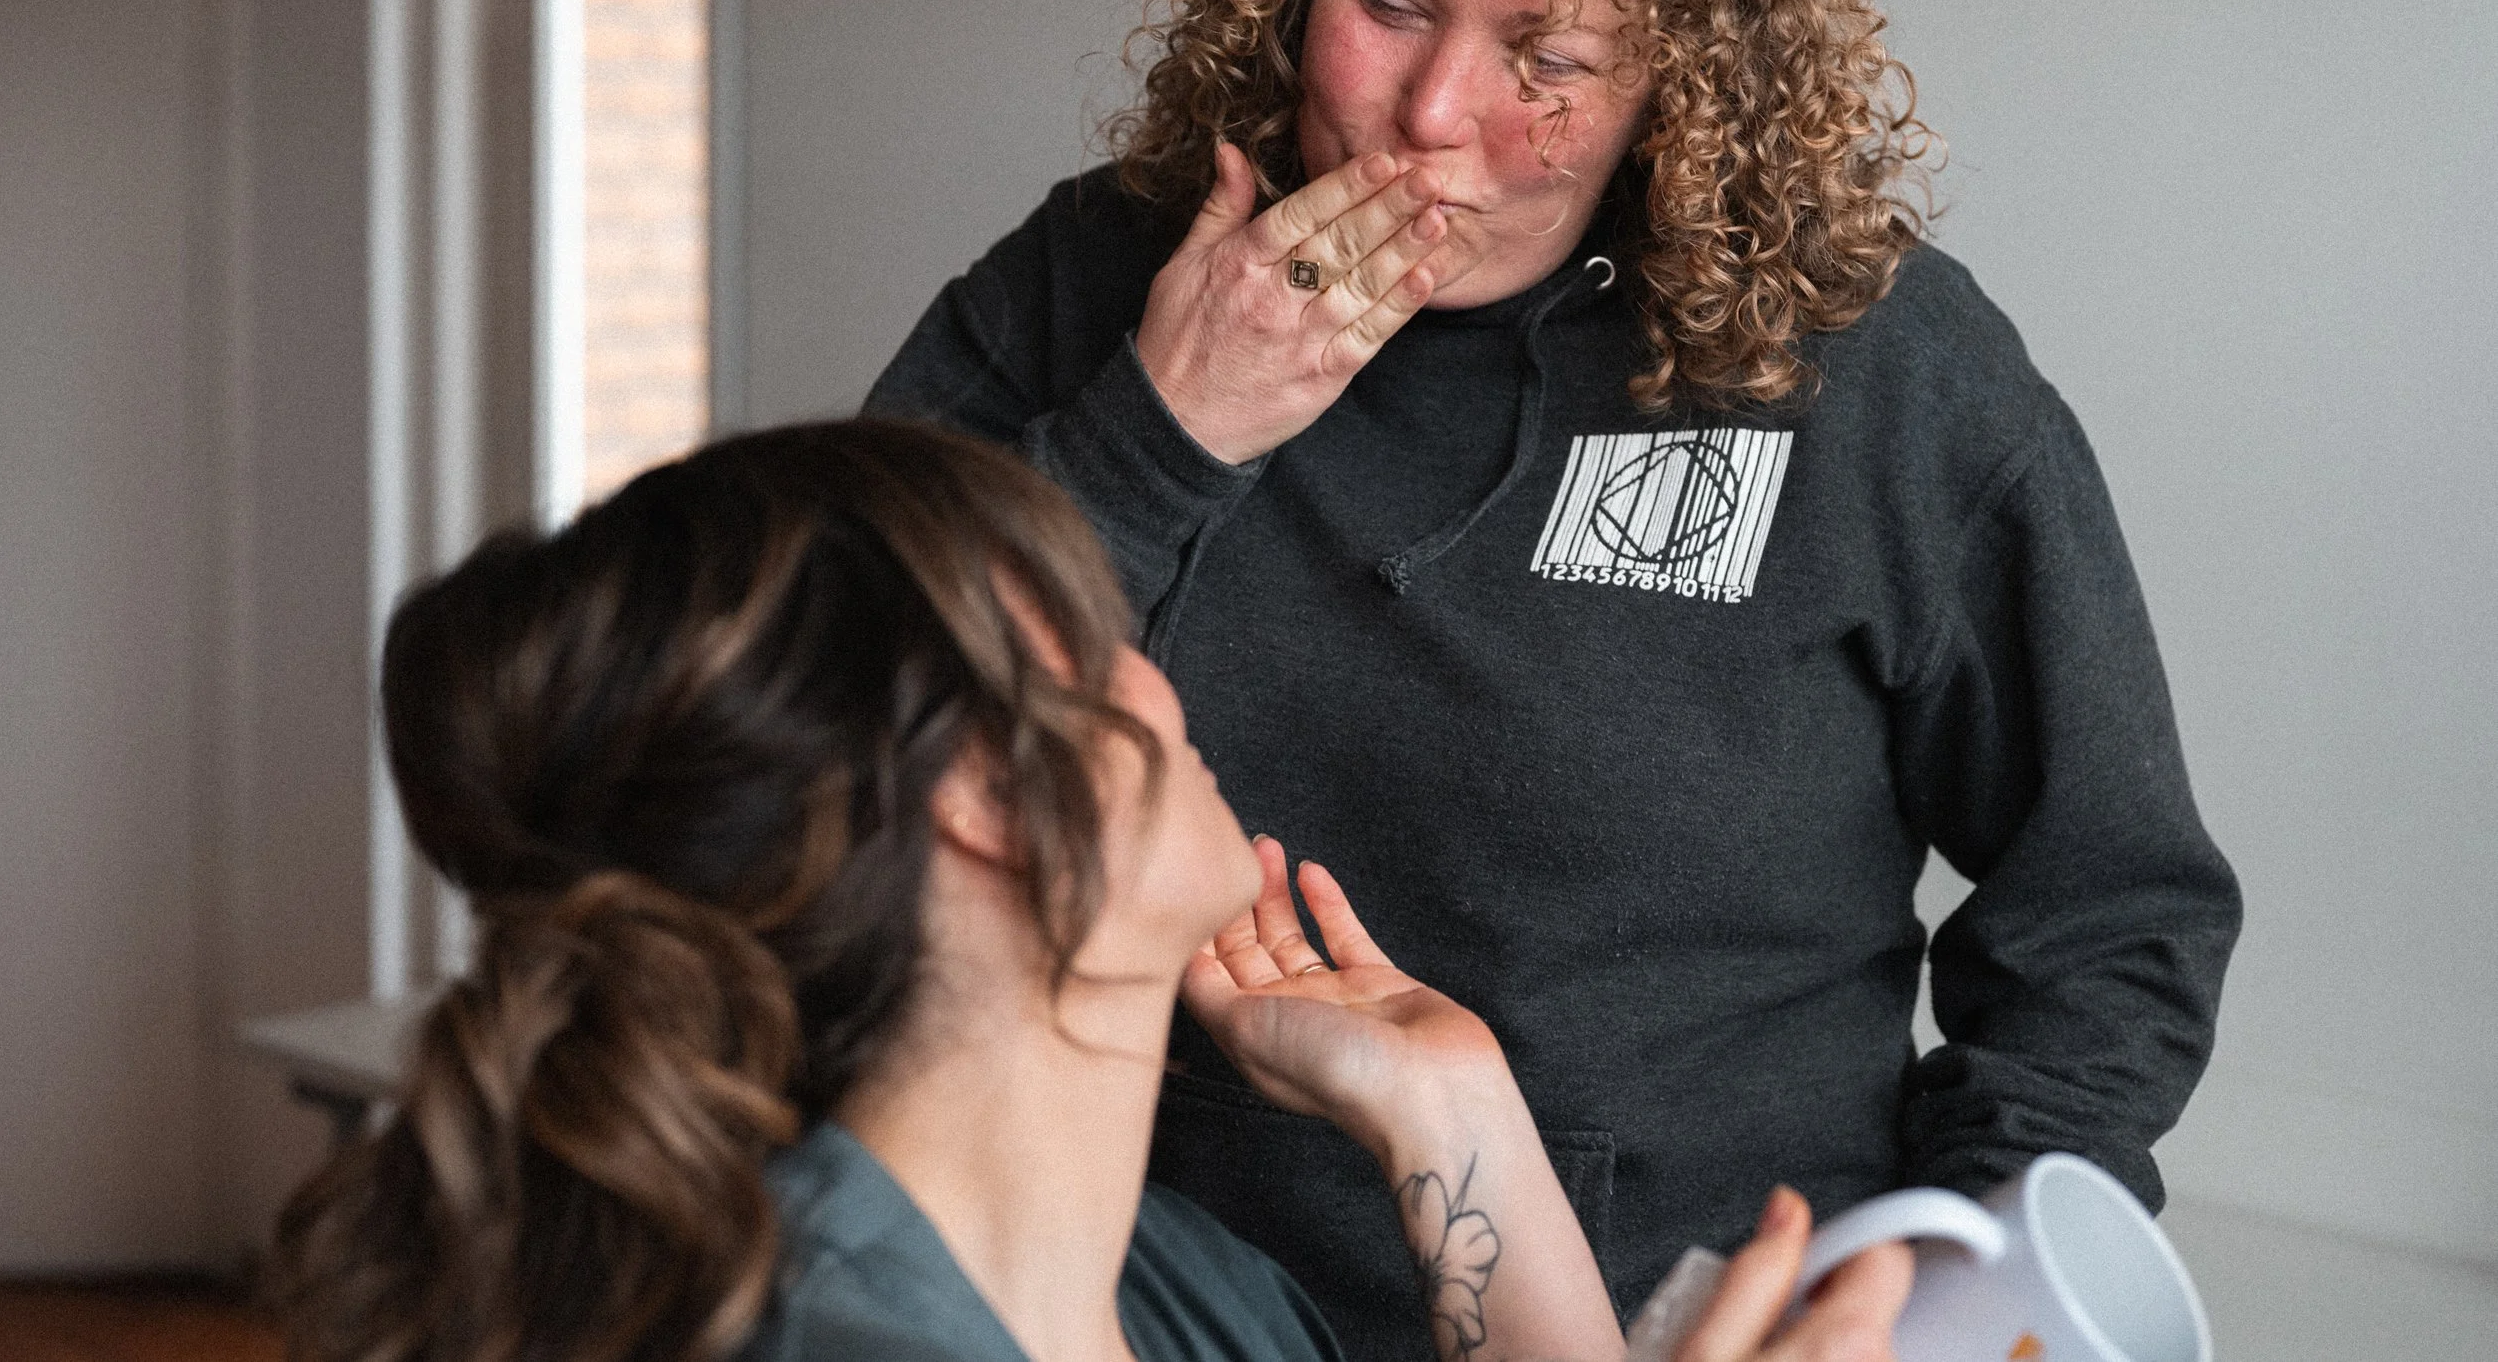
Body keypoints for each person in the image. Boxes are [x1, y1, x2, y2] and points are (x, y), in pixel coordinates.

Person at [864, 0, 2243, 1356]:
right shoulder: (1098, 282)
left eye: (1548, 59)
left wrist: (1953, 1279)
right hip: (1133, 1297)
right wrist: (1165, 435)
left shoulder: (1876, 372)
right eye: (1384, 4)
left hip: (1671, 1318)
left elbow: (2112, 905)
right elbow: (819, 745)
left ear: (1681, 76)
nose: (1433, 112)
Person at [266, 420, 1911, 1362]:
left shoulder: (1182, 1294)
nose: (1160, 683)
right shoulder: (835, 1343)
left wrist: (1450, 1112)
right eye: (1090, 639)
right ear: (982, 791)